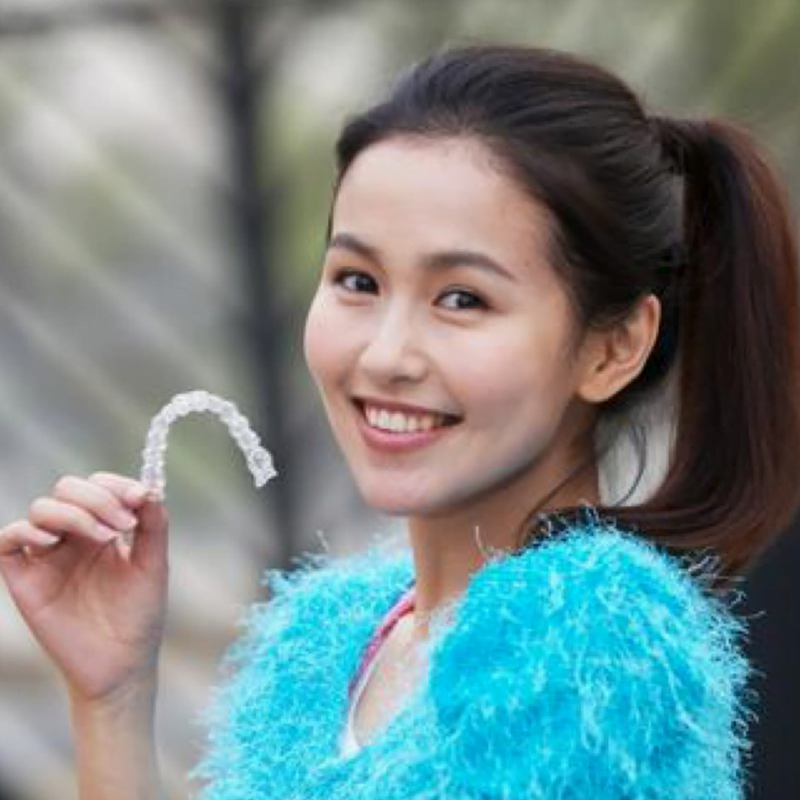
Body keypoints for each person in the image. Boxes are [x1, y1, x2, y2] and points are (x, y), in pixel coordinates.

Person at [1, 43, 799, 800]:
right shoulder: (328, 638)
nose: (385, 353)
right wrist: (111, 695)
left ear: (614, 347)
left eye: (462, 298)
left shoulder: (595, 636)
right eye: (356, 280)